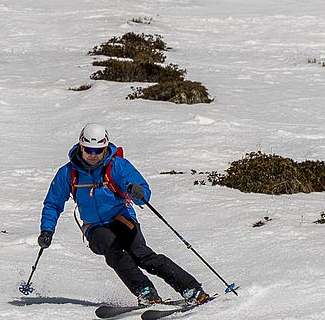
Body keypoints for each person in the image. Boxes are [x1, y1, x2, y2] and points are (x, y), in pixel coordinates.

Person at [38, 123, 211, 306]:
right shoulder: (68, 173)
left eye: (99, 150)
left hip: (122, 218)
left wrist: (137, 192)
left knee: (142, 255)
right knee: (114, 251)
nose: (94, 155)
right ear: (81, 146)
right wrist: (47, 230)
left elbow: (142, 191)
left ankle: (190, 288)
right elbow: (53, 203)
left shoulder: (117, 166)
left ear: (106, 147)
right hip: (95, 227)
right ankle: (145, 291)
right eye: (89, 150)